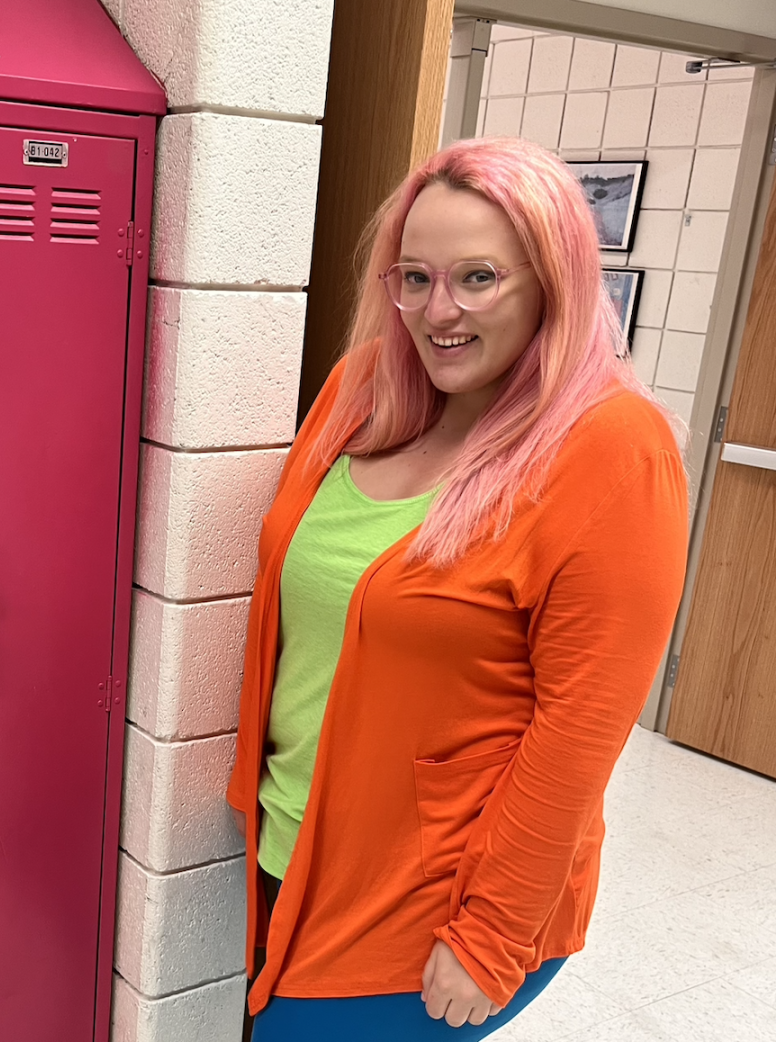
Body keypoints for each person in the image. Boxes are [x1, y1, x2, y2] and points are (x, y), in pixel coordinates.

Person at [226, 136, 689, 1040]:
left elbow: (580, 728)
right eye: (415, 278)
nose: (440, 312)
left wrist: (492, 935)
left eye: (479, 278)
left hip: (438, 897)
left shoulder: (611, 447)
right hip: (289, 849)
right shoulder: (363, 389)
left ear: (553, 280)